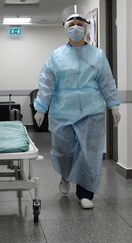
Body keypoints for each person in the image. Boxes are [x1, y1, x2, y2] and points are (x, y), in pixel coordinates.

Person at [33, 12, 121, 209]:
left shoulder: (97, 55)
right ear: (66, 28)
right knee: (63, 152)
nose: (76, 27)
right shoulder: (56, 56)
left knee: (88, 154)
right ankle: (65, 175)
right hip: (63, 112)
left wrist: (113, 104)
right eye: (72, 24)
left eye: (80, 24)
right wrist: (40, 107)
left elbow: (106, 81)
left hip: (92, 112)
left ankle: (85, 193)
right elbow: (47, 83)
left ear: (86, 27)